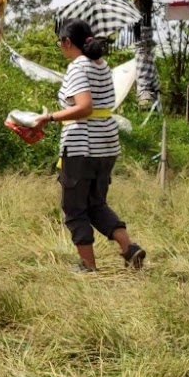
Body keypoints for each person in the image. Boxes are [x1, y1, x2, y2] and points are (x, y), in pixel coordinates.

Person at [35, 20, 146, 272]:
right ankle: (129, 248)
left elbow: (84, 107)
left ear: (67, 42)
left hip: (82, 146)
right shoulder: (101, 65)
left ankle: (88, 266)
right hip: (106, 144)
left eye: (60, 43)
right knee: (96, 204)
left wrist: (49, 117)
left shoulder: (78, 67)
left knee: (74, 208)